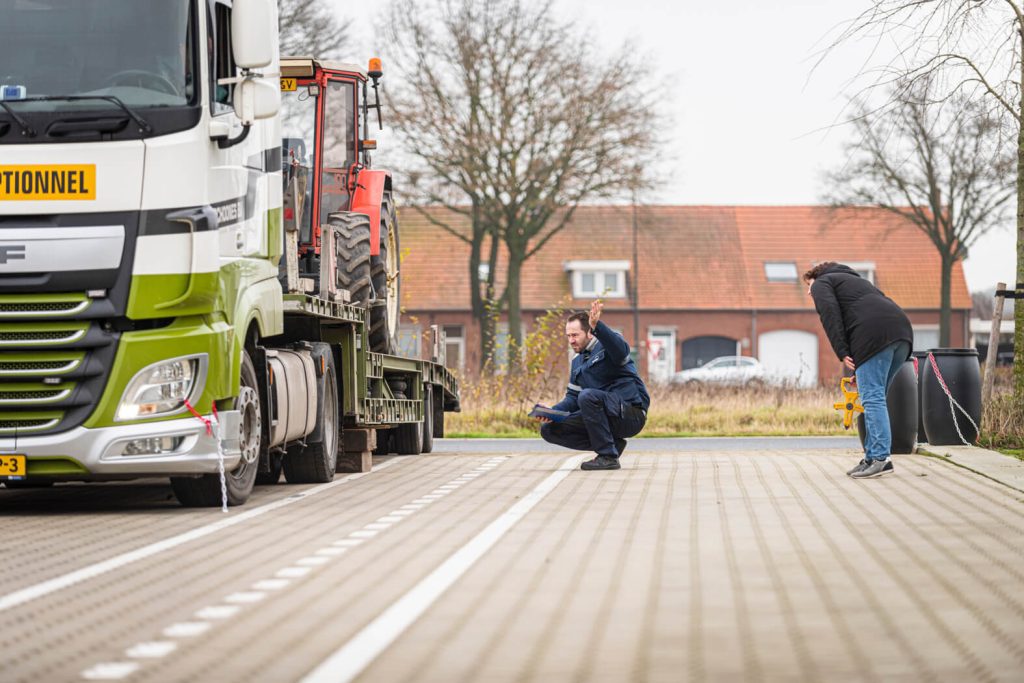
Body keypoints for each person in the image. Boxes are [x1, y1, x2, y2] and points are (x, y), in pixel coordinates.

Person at [805, 262, 913, 478]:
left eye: (809, 285)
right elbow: (863, 313)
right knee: (875, 397)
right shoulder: (855, 281)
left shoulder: (822, 282)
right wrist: (860, 369)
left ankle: (881, 459)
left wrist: (842, 351)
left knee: (872, 398)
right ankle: (871, 458)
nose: (809, 291)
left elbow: (830, 316)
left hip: (874, 336)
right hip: (902, 333)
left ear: (815, 277)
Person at [537, 301, 650, 470]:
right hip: (603, 414)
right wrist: (551, 412)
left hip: (630, 414)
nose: (571, 341)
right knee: (549, 429)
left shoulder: (608, 345)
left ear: (589, 332)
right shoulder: (577, 362)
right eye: (568, 336)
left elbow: (621, 351)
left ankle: (608, 457)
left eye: (575, 335)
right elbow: (572, 399)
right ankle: (612, 445)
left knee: (588, 396)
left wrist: (598, 326)